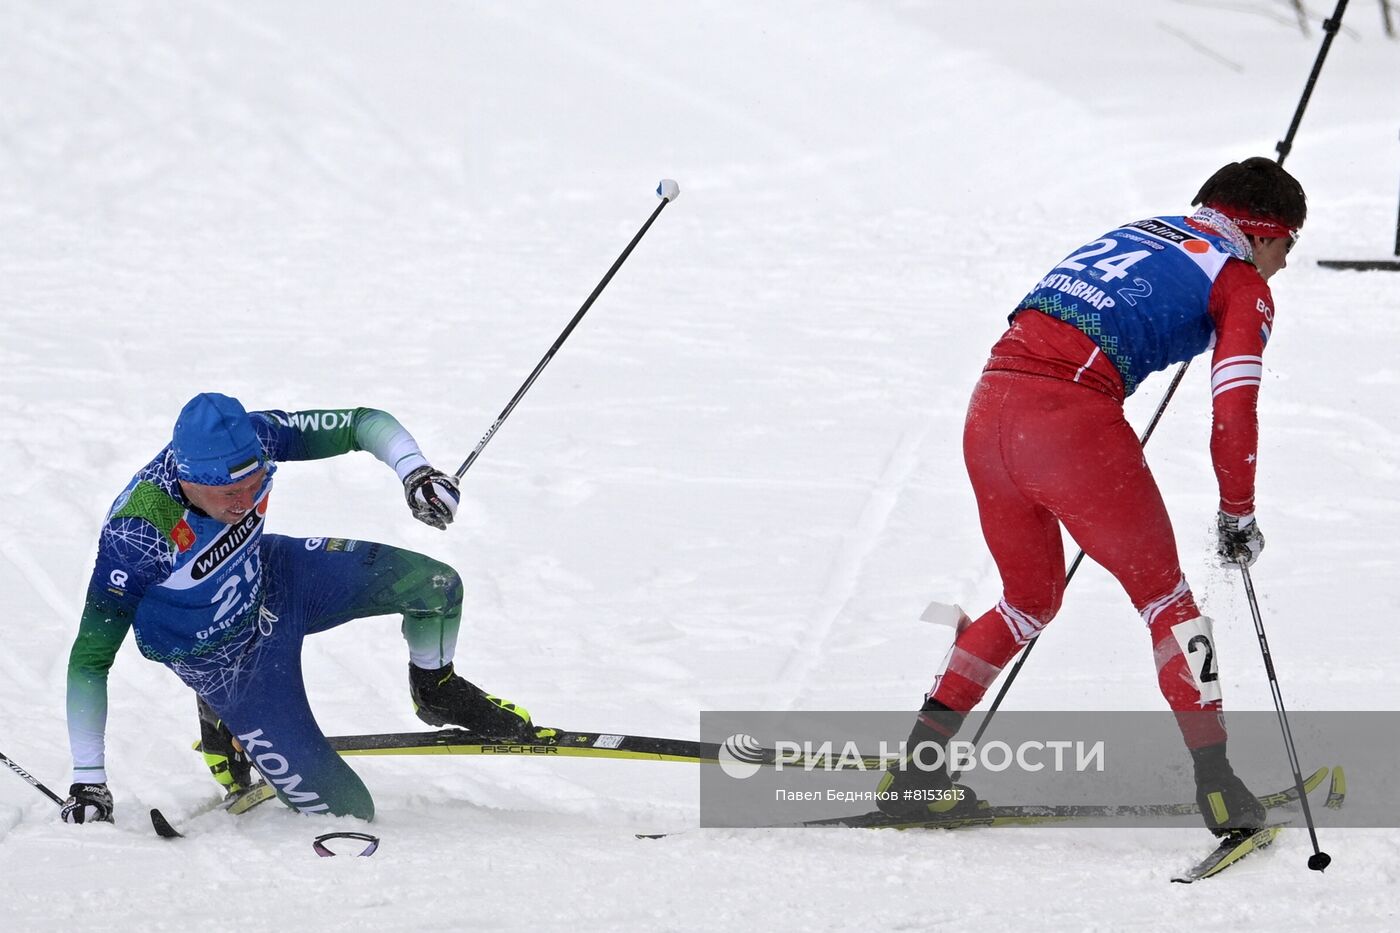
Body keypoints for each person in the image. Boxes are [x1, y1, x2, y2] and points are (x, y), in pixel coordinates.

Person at [878, 158, 1306, 836]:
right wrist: (1237, 514)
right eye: (1289, 246)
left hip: (989, 409)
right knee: (1167, 599)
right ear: (1263, 232)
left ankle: (917, 771)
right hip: (1067, 422)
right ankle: (1220, 788)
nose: (1284, 266)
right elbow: (1235, 414)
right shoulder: (1241, 280)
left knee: (1027, 599)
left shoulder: (1144, 229)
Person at [61, 393, 534, 824]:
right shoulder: (138, 535)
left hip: (276, 579)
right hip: (225, 662)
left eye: (254, 484)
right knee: (348, 812)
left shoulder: (259, 435)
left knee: (436, 586)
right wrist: (89, 779)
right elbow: (89, 661)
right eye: (230, 495)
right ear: (189, 479)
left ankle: (437, 689)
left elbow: (361, 422)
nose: (246, 503)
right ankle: (223, 716)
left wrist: (416, 472)